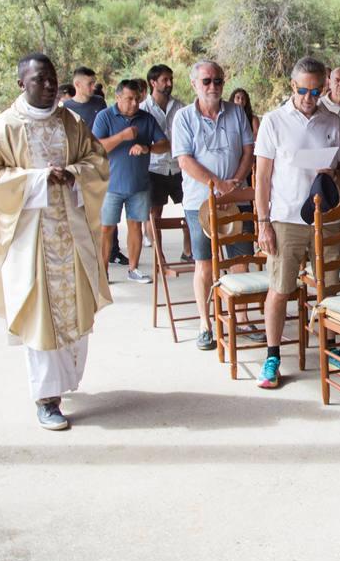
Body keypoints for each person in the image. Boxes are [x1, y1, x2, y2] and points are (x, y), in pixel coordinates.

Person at [0, 53, 111, 431]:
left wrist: (74, 175)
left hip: (71, 237)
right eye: (39, 80)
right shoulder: (3, 129)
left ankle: (64, 384)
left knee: (76, 316)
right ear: (21, 84)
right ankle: (46, 398)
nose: (49, 86)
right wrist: (36, 180)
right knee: (40, 319)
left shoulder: (71, 122)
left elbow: (97, 163)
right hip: (32, 240)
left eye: (52, 79)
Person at [254, 56, 340, 389]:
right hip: (286, 218)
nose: (310, 97)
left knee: (332, 287)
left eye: (316, 90)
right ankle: (273, 356)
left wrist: (332, 173)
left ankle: (332, 347)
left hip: (326, 219)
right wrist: (263, 222)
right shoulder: (274, 121)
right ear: (292, 86)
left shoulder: (332, 121)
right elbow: (262, 176)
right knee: (281, 289)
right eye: (304, 90)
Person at [173, 61, 256, 351]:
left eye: (218, 81)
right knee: (204, 263)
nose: (213, 86)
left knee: (240, 259)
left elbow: (249, 150)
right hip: (200, 203)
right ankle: (205, 324)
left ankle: (242, 319)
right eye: (207, 81)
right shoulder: (183, 117)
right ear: (194, 83)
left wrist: (236, 181)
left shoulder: (236, 113)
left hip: (237, 197)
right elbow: (185, 160)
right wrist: (219, 184)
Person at [92, 80, 168, 282]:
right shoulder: (105, 117)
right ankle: (102, 274)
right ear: (118, 98)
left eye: (137, 99)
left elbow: (164, 144)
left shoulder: (146, 118)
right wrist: (122, 136)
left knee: (135, 226)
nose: (135, 103)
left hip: (139, 185)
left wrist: (148, 148)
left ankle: (133, 269)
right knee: (106, 228)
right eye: (129, 99)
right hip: (110, 186)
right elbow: (96, 148)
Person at [64, 66, 127, 266]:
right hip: (78, 164)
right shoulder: (66, 109)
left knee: (107, 211)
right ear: (77, 85)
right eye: (89, 84)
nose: (93, 87)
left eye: (94, 83)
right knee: (81, 210)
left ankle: (112, 251)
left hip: (100, 161)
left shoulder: (99, 103)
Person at [142, 64, 190, 265]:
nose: (170, 83)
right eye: (165, 80)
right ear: (153, 83)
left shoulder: (180, 107)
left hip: (179, 166)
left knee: (190, 208)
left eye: (171, 79)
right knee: (155, 213)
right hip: (154, 168)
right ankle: (159, 256)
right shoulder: (143, 109)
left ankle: (188, 251)